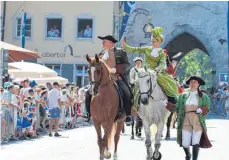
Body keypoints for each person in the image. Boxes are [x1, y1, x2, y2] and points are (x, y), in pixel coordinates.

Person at [122, 27, 179, 111]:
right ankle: (133, 104)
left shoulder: (161, 53)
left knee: (170, 83)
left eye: (154, 41)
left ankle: (173, 103)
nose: (153, 43)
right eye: (152, 41)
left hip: (157, 72)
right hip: (146, 71)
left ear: (159, 42)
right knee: (137, 84)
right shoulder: (147, 49)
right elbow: (135, 49)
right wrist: (125, 46)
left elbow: (162, 63)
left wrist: (158, 69)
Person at [83, 35, 133, 125]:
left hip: (117, 77)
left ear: (111, 42)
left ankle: (128, 115)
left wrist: (116, 70)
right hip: (102, 80)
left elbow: (128, 64)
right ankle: (87, 113)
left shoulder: (120, 52)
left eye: (104, 41)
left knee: (127, 92)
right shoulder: (101, 54)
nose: (102, 43)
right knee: (87, 92)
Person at [175, 76, 212, 160]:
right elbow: (176, 107)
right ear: (189, 84)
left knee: (196, 142)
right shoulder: (182, 96)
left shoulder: (204, 96)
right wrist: (166, 104)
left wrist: (202, 109)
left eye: (195, 82)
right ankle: (188, 155)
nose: (193, 84)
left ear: (198, 84)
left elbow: (208, 107)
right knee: (185, 143)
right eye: (191, 82)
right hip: (185, 121)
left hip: (197, 121)